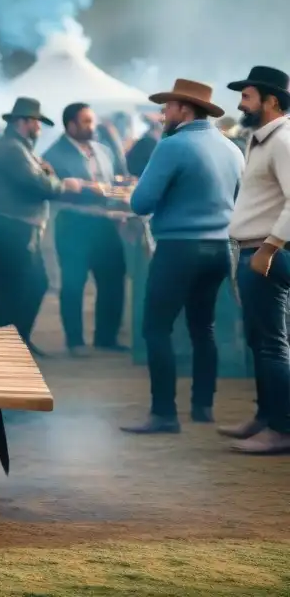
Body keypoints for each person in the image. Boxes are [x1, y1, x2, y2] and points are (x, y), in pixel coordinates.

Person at [121, 80, 244, 435]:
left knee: (156, 328)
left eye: (168, 108)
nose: (163, 115)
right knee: (203, 328)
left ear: (185, 110)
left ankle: (164, 413)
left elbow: (140, 202)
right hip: (219, 249)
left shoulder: (172, 146)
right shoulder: (232, 148)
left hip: (179, 248)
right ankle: (203, 407)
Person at [223, 66, 290, 454]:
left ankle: (281, 428)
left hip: (266, 252)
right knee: (258, 341)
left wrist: (268, 248)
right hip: (252, 248)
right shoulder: (262, 138)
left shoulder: (282, 140)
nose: (240, 103)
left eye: (247, 96)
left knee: (270, 344)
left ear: (271, 101)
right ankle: (266, 417)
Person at [0, 97, 85, 357]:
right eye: (36, 122)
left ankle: (17, 340)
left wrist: (49, 176)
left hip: (17, 226)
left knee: (28, 285)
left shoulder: (17, 147)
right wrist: (63, 185)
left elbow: (39, 178)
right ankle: (12, 343)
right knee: (23, 286)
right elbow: (38, 184)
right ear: (25, 122)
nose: (39, 128)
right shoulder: (13, 149)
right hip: (13, 227)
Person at [42, 103, 127, 355]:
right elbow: (55, 187)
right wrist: (92, 188)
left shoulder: (103, 150)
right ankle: (75, 341)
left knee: (113, 279)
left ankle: (106, 337)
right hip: (73, 223)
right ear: (71, 125)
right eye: (86, 122)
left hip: (105, 221)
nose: (92, 126)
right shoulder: (54, 154)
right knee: (73, 282)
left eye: (92, 121)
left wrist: (115, 194)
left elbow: (113, 184)